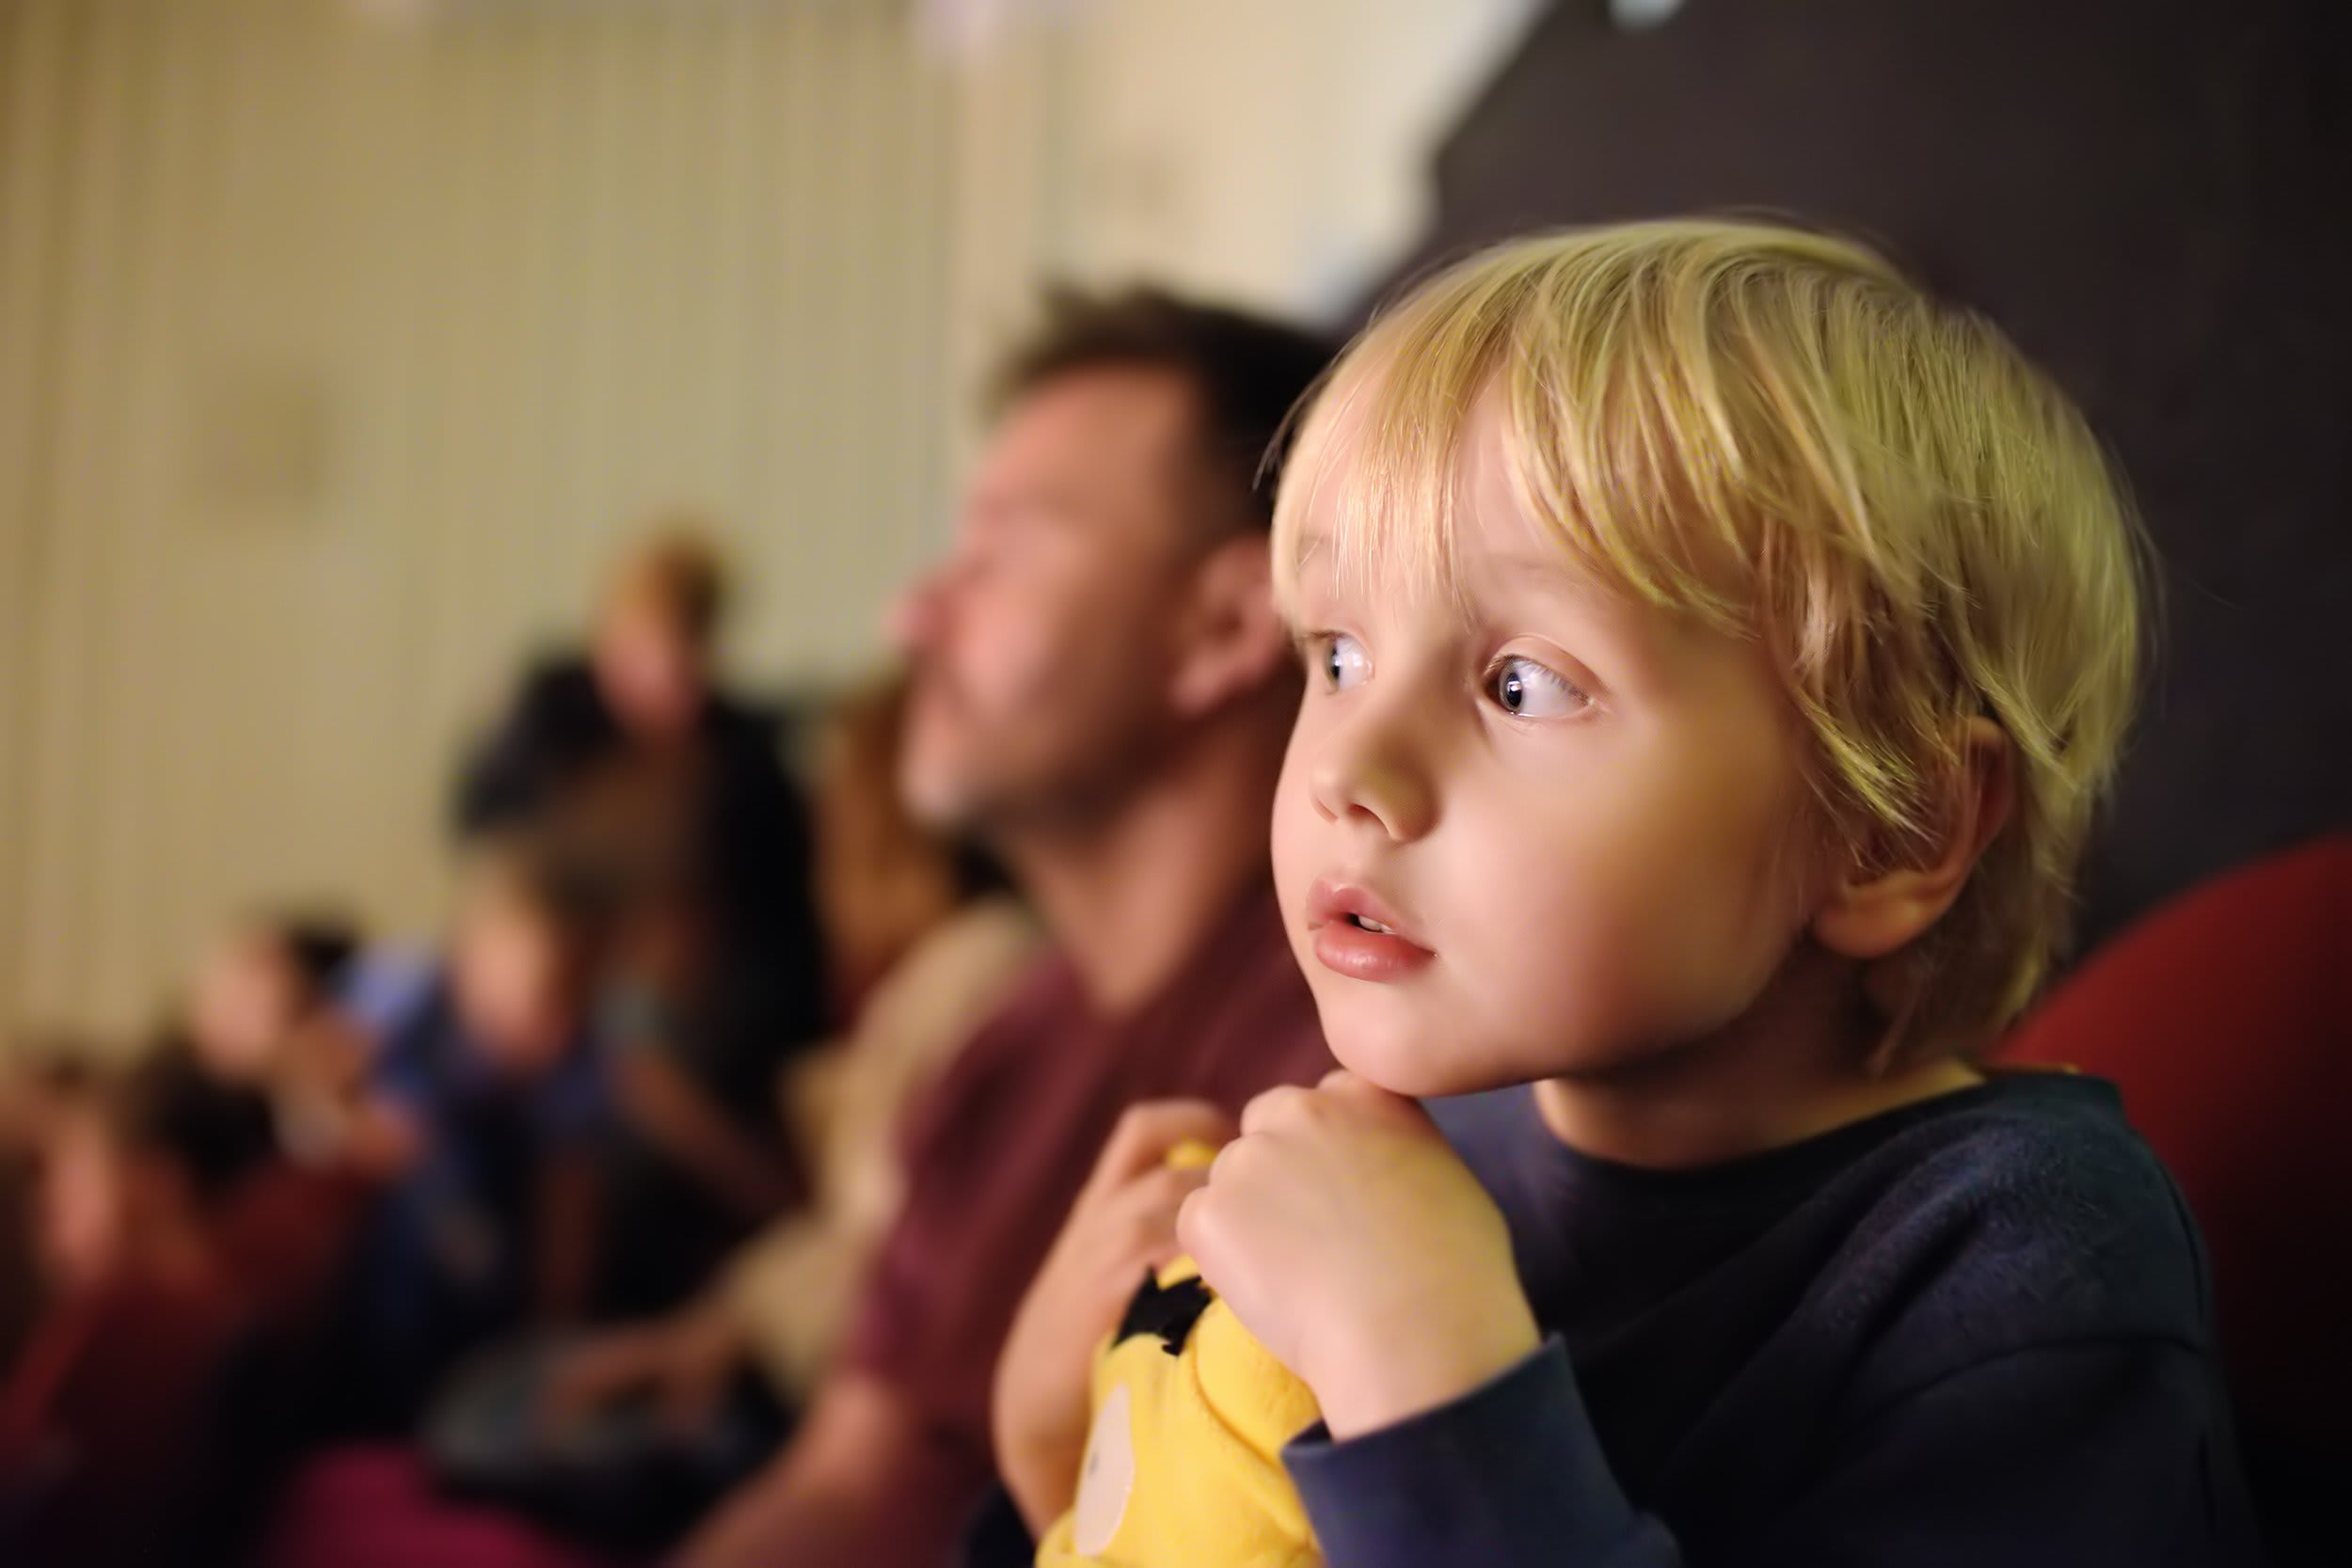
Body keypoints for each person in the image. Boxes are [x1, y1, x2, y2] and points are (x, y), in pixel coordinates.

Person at [996, 222, 2261, 1567]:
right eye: (1340, 654)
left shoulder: (2023, 1261)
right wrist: (1044, 1455)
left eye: (1522, 683)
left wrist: (1426, 1371)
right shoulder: (1429, 1137)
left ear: (1888, 828)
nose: (1345, 773)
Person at [673, 291, 1339, 1568]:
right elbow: (841, 1486)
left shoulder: (1351, 1038)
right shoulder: (1000, 1043)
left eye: (1001, 553)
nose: (912, 616)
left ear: (1224, 626)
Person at [457, 529, 827, 1307]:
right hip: (538, 981)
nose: (671, 675)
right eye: (649, 647)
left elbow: (771, 933)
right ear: (609, 636)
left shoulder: (737, 761)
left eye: (689, 647)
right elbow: (490, 860)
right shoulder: (549, 727)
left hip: (670, 1002)